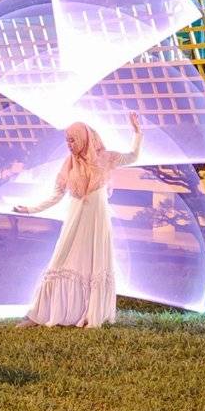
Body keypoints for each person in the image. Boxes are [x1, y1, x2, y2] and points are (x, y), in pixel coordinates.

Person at [13, 112, 142, 328]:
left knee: (94, 264)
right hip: (75, 221)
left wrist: (137, 133)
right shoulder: (69, 164)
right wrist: (30, 209)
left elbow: (133, 157)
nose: (69, 145)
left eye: (73, 140)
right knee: (62, 259)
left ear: (84, 139)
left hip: (98, 221)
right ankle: (39, 314)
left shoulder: (106, 158)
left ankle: (91, 313)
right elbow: (56, 195)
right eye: (67, 140)